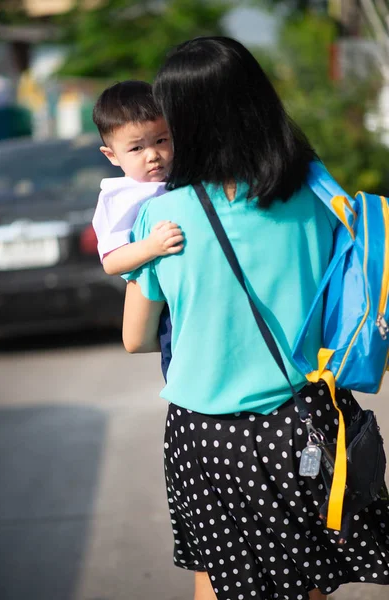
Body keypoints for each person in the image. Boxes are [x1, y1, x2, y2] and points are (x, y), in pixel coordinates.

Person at [121, 37, 389, 600]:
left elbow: (136, 338)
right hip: (299, 424)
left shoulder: (162, 216)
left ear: (185, 120)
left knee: (213, 582)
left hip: (205, 435)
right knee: (303, 585)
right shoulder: (317, 196)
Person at [92, 80, 182, 379]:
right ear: (112, 156)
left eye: (161, 141)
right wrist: (151, 247)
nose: (152, 155)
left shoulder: (179, 177)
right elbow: (111, 261)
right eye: (136, 148)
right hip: (162, 302)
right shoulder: (120, 197)